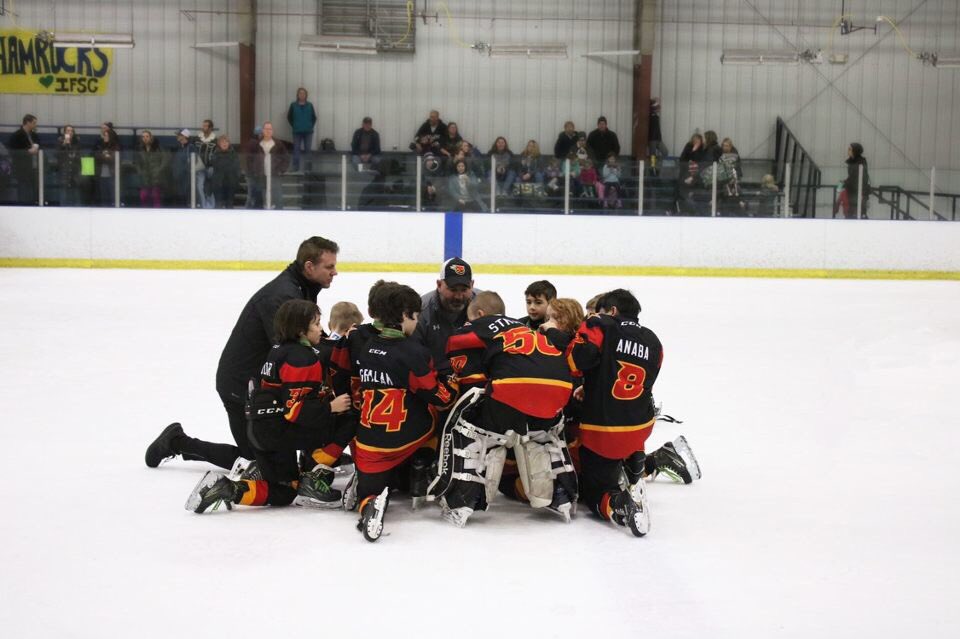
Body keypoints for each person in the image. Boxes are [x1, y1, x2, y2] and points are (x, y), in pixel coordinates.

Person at [145, 237, 340, 474]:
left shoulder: (302, 288)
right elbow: (295, 353)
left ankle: (308, 455)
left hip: (261, 384)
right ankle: (177, 442)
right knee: (255, 464)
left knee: (277, 452)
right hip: (241, 386)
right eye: (329, 267)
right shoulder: (282, 296)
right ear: (310, 267)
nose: (335, 272)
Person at [185, 299, 353, 513]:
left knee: (284, 492)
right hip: (278, 435)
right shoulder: (303, 360)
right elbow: (296, 412)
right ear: (301, 330)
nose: (321, 329)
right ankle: (314, 473)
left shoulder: (279, 349)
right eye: (317, 324)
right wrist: (332, 407)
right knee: (349, 419)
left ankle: (225, 488)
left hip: (260, 430)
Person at [438, 291, 575, 526]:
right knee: (540, 435)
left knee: (471, 427)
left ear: (479, 314)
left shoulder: (478, 326)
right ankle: (559, 496)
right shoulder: (525, 327)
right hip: (561, 390)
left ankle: (465, 500)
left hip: (514, 389)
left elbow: (466, 367)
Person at [350, 284, 456, 541]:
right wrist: (453, 383)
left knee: (369, 495)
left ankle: (370, 506)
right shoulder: (414, 352)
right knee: (438, 412)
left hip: (369, 445)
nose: (417, 321)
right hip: (405, 437)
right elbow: (439, 397)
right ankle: (423, 463)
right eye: (416, 316)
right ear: (405, 315)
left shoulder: (367, 347)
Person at [567, 289, 661, 537]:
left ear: (612, 311)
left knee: (593, 493)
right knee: (631, 418)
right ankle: (635, 471)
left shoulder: (600, 324)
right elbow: (644, 385)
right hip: (640, 429)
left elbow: (576, 362)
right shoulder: (654, 341)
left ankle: (621, 504)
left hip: (604, 431)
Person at [413, 257, 477, 375]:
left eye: (464, 289)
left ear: (472, 285)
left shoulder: (484, 305)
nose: (458, 296)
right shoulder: (421, 311)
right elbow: (414, 359)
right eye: (452, 289)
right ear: (439, 284)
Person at [244, 121, 289, 209]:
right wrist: (253, 170)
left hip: (274, 175)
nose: (268, 131)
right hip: (260, 175)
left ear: (272, 131)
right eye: (266, 129)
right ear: (263, 131)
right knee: (258, 197)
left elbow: (286, 158)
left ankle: (280, 215)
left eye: (270, 129)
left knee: (277, 197)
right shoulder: (256, 144)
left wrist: (281, 170)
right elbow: (249, 159)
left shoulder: (278, 144)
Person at [8, 114, 40, 205]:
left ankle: (34, 203)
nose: (35, 125)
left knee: (34, 188)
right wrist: (28, 151)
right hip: (22, 168)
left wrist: (37, 148)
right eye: (34, 123)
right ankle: (23, 204)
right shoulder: (16, 135)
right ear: (27, 122)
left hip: (34, 167)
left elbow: (39, 145)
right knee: (23, 188)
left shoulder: (34, 135)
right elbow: (13, 151)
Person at [134, 130, 168, 208]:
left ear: (151, 137)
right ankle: (145, 214)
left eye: (147, 136)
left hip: (156, 177)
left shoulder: (158, 148)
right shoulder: (139, 149)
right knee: (143, 196)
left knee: (156, 196)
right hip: (144, 177)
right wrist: (140, 171)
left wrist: (159, 170)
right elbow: (136, 162)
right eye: (143, 137)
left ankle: (157, 214)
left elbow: (165, 159)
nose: (145, 138)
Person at [287, 87, 317, 172]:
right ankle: (295, 167)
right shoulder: (293, 105)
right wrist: (294, 125)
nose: (302, 95)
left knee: (308, 150)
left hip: (308, 132)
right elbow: (289, 117)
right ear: (297, 95)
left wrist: (310, 126)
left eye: (304, 93)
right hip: (296, 132)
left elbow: (314, 117)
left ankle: (308, 168)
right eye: (300, 93)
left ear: (306, 95)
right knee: (296, 149)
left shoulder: (310, 105)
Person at [210, 134, 241, 208]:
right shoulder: (215, 154)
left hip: (231, 183)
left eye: (226, 141)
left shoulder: (234, 154)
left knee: (229, 205)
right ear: (219, 144)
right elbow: (216, 165)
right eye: (222, 142)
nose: (224, 143)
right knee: (218, 205)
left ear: (229, 143)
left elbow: (236, 167)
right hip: (218, 184)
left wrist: (236, 179)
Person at [93, 123, 120, 207]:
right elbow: (96, 156)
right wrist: (105, 156)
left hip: (112, 174)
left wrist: (104, 156)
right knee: (103, 195)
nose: (105, 137)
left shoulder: (115, 145)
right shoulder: (100, 145)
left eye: (107, 135)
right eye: (104, 135)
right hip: (101, 173)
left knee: (112, 194)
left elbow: (113, 159)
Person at [56, 124, 83, 206]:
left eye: (71, 131)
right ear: (64, 133)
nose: (70, 132)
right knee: (63, 192)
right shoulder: (60, 141)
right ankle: (63, 208)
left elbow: (79, 155)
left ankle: (77, 208)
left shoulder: (77, 141)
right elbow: (57, 154)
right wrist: (64, 144)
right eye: (68, 131)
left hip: (74, 170)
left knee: (76, 192)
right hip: (64, 170)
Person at [843, 142, 870, 219]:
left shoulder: (860, 163)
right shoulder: (852, 162)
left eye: (849, 149)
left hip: (859, 192)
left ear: (855, 151)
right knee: (852, 211)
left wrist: (846, 182)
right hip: (853, 191)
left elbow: (858, 178)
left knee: (859, 211)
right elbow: (852, 176)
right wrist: (846, 182)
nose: (848, 151)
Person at [194, 119, 217, 208]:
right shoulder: (197, 138)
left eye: (205, 126)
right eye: (203, 126)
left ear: (210, 128)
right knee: (199, 186)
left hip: (211, 167)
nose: (203, 127)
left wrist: (213, 164)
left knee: (210, 186)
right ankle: (203, 205)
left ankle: (211, 206)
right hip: (199, 167)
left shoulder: (215, 140)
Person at [171, 129, 193, 207]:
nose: (178, 137)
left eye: (179, 135)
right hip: (177, 176)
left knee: (185, 197)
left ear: (185, 136)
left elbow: (192, 162)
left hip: (186, 177)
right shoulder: (178, 147)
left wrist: (183, 171)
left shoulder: (191, 148)